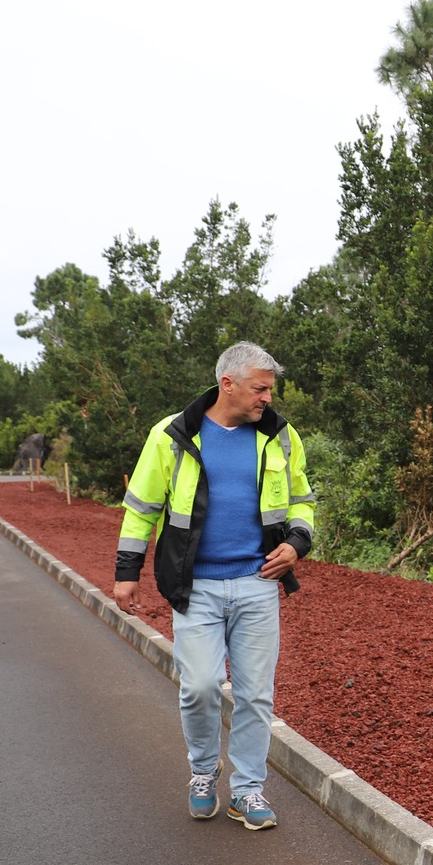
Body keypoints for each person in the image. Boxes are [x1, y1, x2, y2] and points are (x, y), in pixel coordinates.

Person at [112, 342, 315, 830]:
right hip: (195, 586)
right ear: (228, 384)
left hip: (257, 582)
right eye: (260, 388)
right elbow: (142, 507)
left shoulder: (280, 436)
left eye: (270, 389)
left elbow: (302, 499)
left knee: (254, 694)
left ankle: (247, 791)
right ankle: (203, 772)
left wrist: (297, 542)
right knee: (199, 686)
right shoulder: (173, 434)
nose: (267, 398)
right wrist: (126, 572)